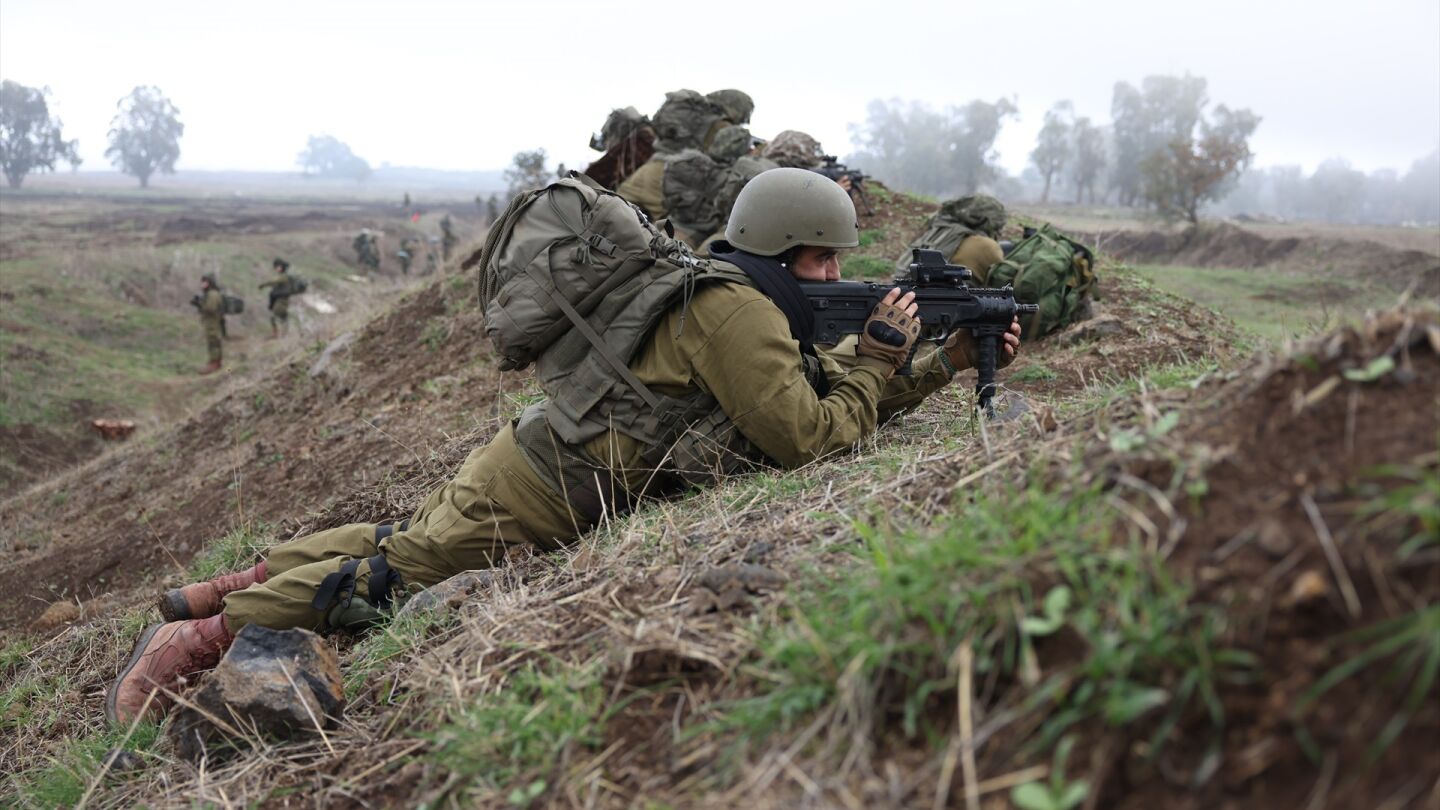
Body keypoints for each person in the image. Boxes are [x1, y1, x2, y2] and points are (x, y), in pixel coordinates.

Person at [105, 168, 1022, 726]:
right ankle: (198, 638)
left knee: (401, 541)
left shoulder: (731, 293)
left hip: (538, 459)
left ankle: (223, 584)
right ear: (785, 250)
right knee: (391, 579)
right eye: (825, 258)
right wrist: (879, 358)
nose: (838, 274)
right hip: (544, 489)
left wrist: (936, 364)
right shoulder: (738, 313)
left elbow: (806, 398)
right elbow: (810, 440)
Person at [191, 274, 224, 374]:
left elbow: (210, 308)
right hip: (210, 321)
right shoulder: (211, 293)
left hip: (212, 321)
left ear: (209, 283)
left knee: (213, 341)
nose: (202, 284)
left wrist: (199, 304)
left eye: (204, 282)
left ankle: (214, 363)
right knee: (212, 340)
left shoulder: (212, 294)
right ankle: (214, 361)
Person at [257, 258, 295, 338]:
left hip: (282, 301)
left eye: (278, 266)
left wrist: (263, 285)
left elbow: (273, 281)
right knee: (281, 318)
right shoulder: (282, 276)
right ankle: (283, 334)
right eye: (276, 267)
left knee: (274, 317)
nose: (276, 268)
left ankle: (278, 334)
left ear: (282, 267)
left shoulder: (283, 277)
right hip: (280, 300)